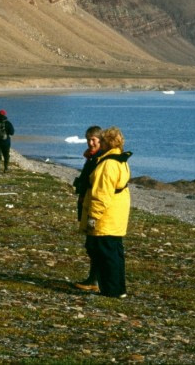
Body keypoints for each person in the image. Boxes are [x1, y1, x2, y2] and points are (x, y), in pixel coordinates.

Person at [85, 126, 133, 298]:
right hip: (117, 213)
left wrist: (93, 217)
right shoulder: (121, 160)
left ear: (107, 142)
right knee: (115, 253)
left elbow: (101, 194)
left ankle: (111, 290)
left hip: (107, 216)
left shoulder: (108, 164)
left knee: (106, 254)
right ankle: (119, 289)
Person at [73, 125, 104, 290]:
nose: (90, 143)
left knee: (94, 243)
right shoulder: (92, 157)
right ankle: (94, 279)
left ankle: (95, 280)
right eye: (88, 140)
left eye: (93, 140)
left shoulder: (99, 158)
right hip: (86, 201)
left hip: (92, 203)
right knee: (90, 243)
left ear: (100, 140)